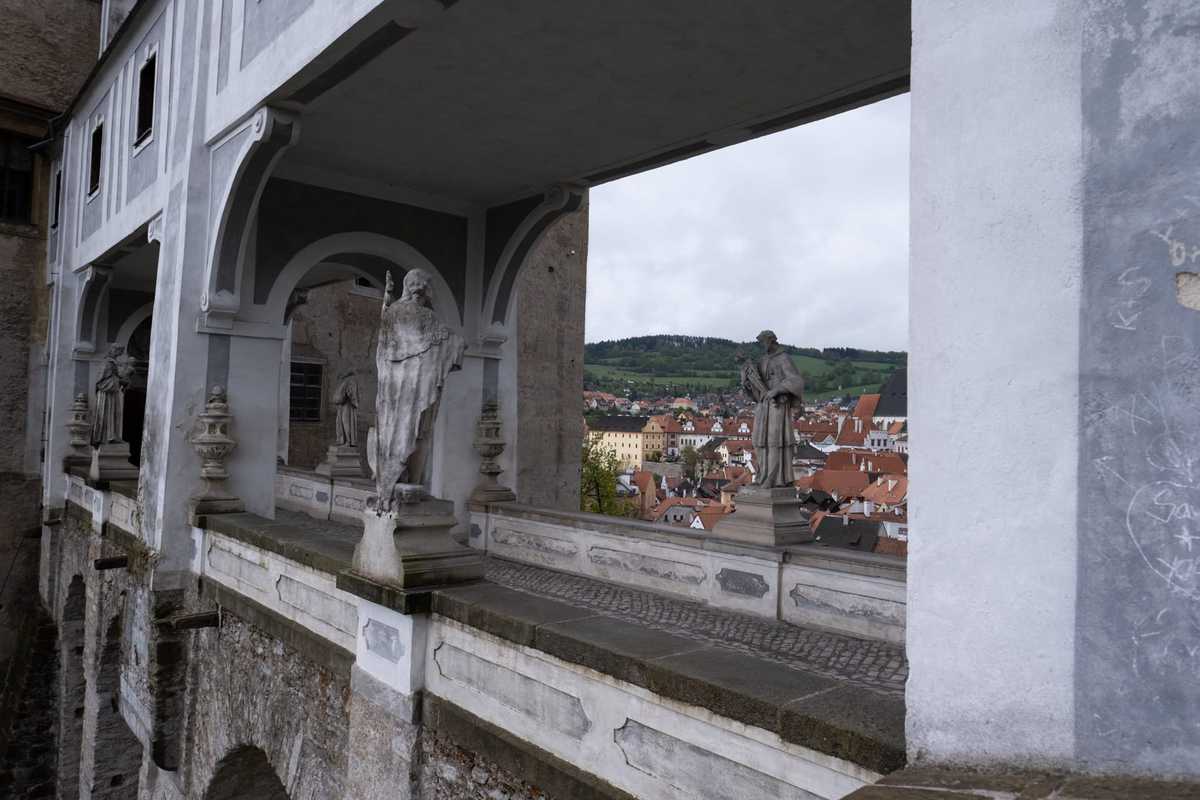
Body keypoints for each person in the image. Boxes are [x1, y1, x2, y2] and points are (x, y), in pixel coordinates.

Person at [374, 269, 464, 512]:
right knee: (417, 432)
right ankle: (409, 481)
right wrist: (456, 342)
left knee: (411, 432)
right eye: (427, 286)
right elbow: (444, 342)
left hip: (402, 392)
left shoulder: (395, 313)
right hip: (411, 390)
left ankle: (404, 482)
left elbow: (388, 350)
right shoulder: (418, 315)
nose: (428, 291)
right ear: (421, 287)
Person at [741, 330, 803, 487]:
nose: (761, 345)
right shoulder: (762, 360)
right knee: (758, 440)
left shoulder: (783, 358)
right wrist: (748, 384)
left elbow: (796, 381)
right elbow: (757, 388)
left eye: (763, 342)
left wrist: (777, 390)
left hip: (778, 404)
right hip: (763, 405)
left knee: (774, 440)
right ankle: (761, 475)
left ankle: (773, 477)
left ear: (771, 340)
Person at [91, 345, 136, 447]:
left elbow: (119, 377)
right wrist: (119, 380)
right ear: (113, 350)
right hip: (106, 394)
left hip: (113, 393)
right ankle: (107, 437)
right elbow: (101, 381)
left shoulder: (114, 363)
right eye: (119, 351)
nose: (120, 353)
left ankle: (113, 436)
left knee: (115, 413)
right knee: (108, 413)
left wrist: (123, 379)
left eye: (121, 351)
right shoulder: (108, 363)